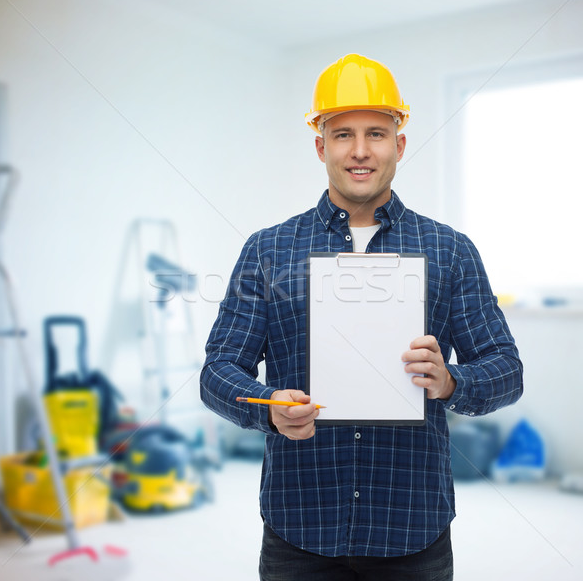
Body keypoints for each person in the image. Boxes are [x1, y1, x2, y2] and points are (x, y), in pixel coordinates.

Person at [200, 53, 523, 580]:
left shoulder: (450, 250)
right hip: (299, 525)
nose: (359, 150)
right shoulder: (269, 249)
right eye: (342, 132)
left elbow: (506, 369)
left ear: (398, 143)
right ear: (320, 145)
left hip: (412, 528)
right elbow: (217, 372)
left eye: (376, 132)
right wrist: (268, 408)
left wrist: (450, 381)